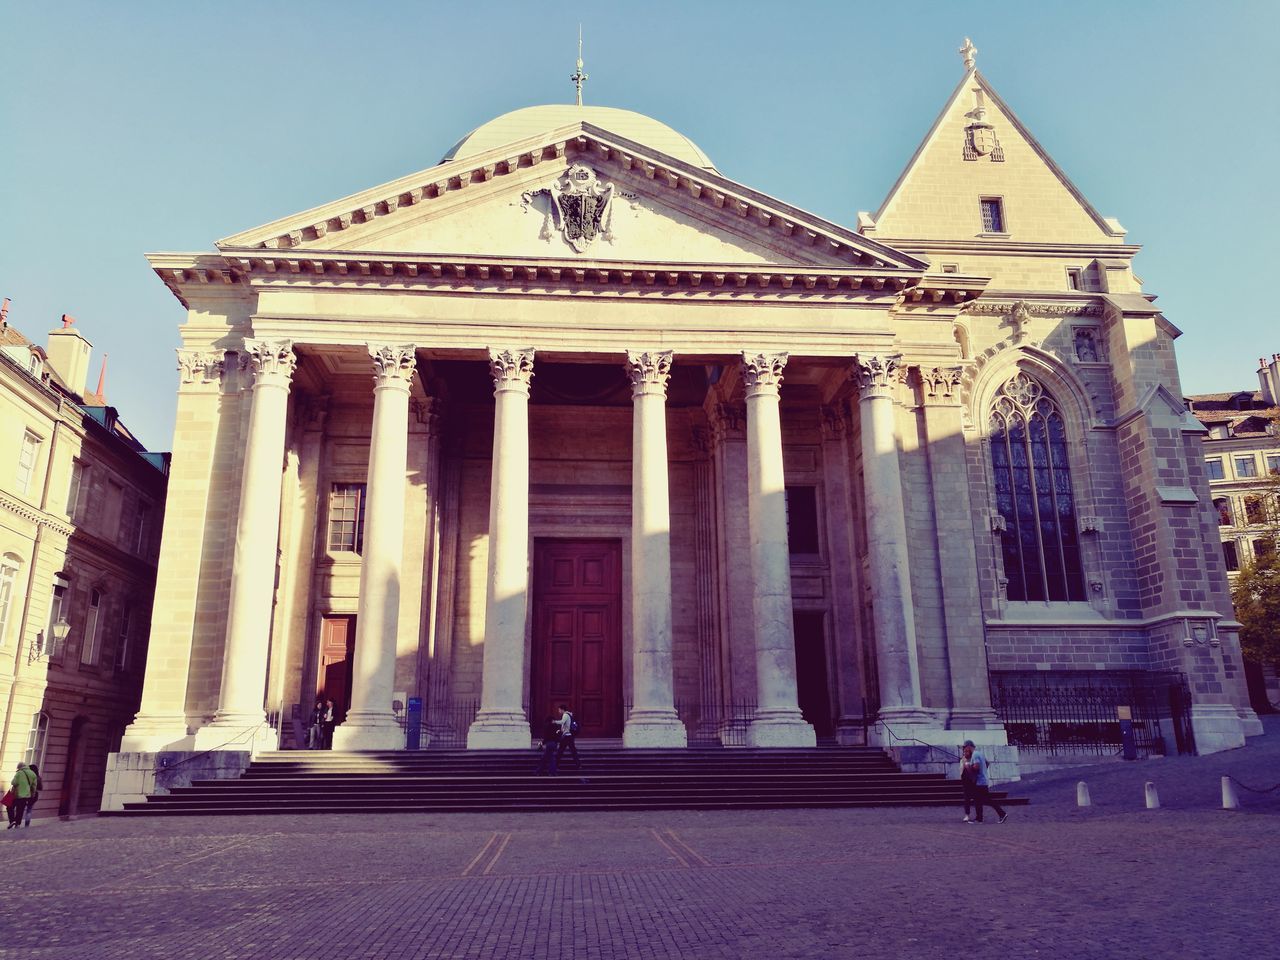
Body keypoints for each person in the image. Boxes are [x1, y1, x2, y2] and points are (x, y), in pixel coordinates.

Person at [961, 740, 1008, 824]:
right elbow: (987, 763)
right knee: (978, 800)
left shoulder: (975, 755)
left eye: (965, 748)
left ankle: (1002, 814)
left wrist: (968, 766)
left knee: (986, 799)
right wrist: (983, 772)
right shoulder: (980, 753)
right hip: (983, 780)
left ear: (969, 746)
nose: (965, 750)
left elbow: (976, 767)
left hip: (980, 781)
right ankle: (979, 819)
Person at [8, 762, 37, 830]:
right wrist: (32, 795)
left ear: (19, 767)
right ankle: (17, 824)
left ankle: (12, 821)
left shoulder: (19, 773)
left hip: (16, 795)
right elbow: (34, 786)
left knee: (9, 807)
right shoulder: (33, 774)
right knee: (20, 810)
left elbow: (13, 782)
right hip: (26, 796)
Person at [554, 704, 581, 773]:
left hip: (566, 736)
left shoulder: (565, 715)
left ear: (562, 709)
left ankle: (555, 765)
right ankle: (578, 765)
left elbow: (562, 722)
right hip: (569, 736)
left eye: (559, 709)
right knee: (573, 751)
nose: (558, 711)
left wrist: (554, 721)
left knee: (560, 751)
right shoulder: (569, 715)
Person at [959, 748, 978, 823]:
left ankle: (978, 815)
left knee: (976, 798)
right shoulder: (962, 760)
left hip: (973, 781)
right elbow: (961, 771)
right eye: (964, 752)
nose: (965, 753)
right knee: (967, 799)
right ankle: (967, 815)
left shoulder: (974, 759)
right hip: (966, 781)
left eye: (966, 752)